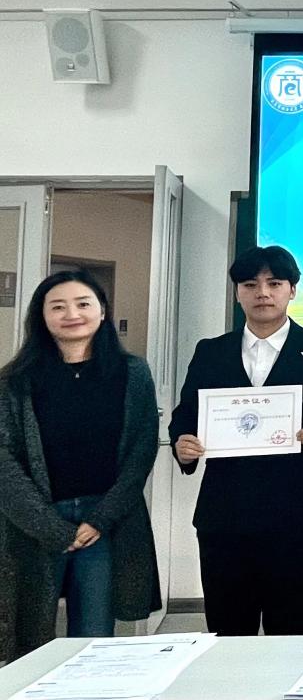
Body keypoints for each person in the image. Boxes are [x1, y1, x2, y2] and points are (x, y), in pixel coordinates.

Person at [169, 246, 303, 636]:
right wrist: (182, 443)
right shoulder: (211, 351)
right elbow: (186, 414)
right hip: (223, 512)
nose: (263, 292)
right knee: (227, 628)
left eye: (274, 283)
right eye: (250, 284)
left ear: (292, 290)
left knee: (289, 625)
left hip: (290, 509)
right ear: (237, 292)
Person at [0, 271, 160, 662]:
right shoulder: (14, 381)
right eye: (58, 306)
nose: (72, 314)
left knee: (93, 640)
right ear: (41, 317)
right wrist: (50, 527)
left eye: (83, 304)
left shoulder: (132, 372)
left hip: (101, 523)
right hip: (34, 524)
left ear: (102, 311)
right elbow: (4, 462)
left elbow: (141, 452)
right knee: (30, 640)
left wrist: (101, 519)